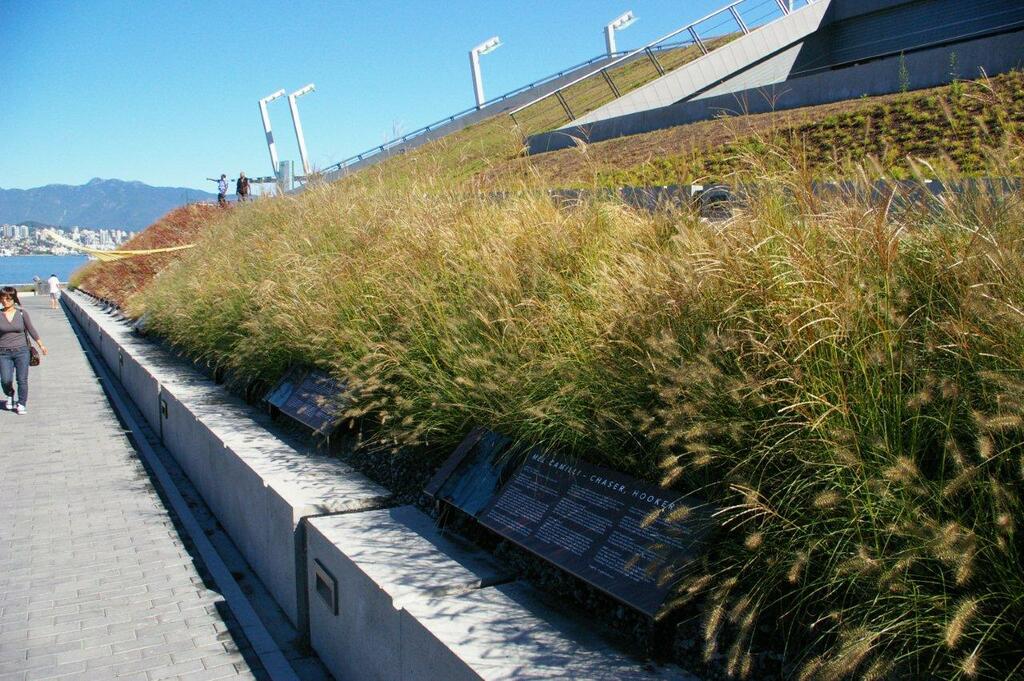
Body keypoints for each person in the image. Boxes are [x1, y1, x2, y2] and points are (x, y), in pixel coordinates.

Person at [0, 286, 48, 415]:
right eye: (3, 298)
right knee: (5, 380)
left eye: (9, 298)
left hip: (22, 351)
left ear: (14, 299)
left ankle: (21, 403)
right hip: (3, 353)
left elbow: (31, 330)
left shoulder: (21, 313)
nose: (5, 301)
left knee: (22, 379)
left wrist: (41, 345)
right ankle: (10, 394)